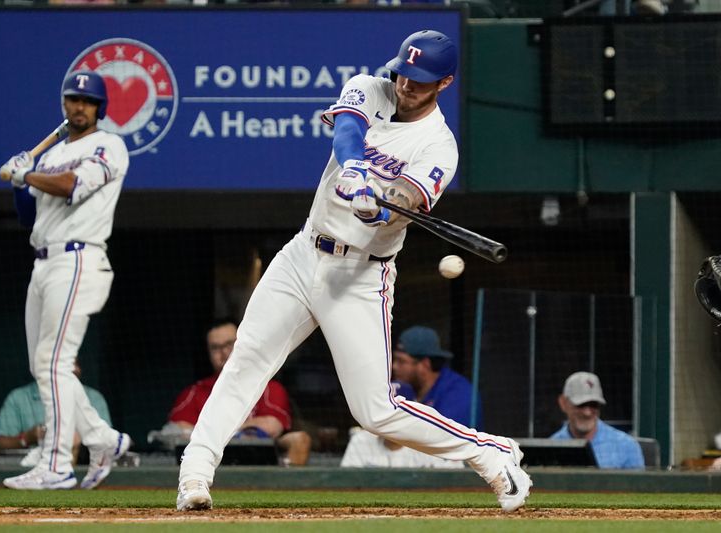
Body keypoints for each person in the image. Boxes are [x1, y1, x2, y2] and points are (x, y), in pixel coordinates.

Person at [176, 29, 531, 513]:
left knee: (376, 411)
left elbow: (406, 202)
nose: (407, 85)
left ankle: (490, 452)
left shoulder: (439, 146)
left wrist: (377, 212)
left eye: (420, 80)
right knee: (246, 361)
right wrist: (355, 169)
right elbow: (347, 129)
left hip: (362, 276)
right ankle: (194, 475)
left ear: (444, 82)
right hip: (304, 254)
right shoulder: (372, 84)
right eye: (405, 73)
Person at [0, 70, 131, 490]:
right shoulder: (50, 156)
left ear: (99, 107)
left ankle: (56, 464)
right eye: (73, 99)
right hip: (43, 261)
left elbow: (73, 187)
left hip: (79, 258)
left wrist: (26, 176)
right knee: (44, 365)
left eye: (87, 101)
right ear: (64, 104)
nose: (79, 107)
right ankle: (102, 438)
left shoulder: (110, 146)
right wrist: (22, 180)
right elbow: (29, 216)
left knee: (53, 361)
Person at [159, 319, 312, 467]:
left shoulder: (268, 387)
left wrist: (211, 431)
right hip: (208, 465)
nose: (224, 353)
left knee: (299, 440)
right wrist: (244, 429)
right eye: (215, 348)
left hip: (258, 462)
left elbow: (271, 427)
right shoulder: (194, 392)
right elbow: (177, 433)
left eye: (230, 344)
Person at [341, 325, 481, 468]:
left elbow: (450, 447)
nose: (394, 367)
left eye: (401, 361)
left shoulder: (457, 393)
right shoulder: (405, 390)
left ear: (424, 364)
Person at [0, 360, 112, 468]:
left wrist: (82, 438)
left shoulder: (94, 398)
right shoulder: (19, 398)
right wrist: (28, 438)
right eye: (67, 365)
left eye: (75, 365)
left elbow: (108, 444)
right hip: (32, 472)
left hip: (84, 471)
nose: (75, 370)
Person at [550, 371, 644, 470]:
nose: (587, 413)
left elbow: (639, 485)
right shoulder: (551, 448)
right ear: (563, 403)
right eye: (580, 405)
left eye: (593, 405)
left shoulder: (627, 447)